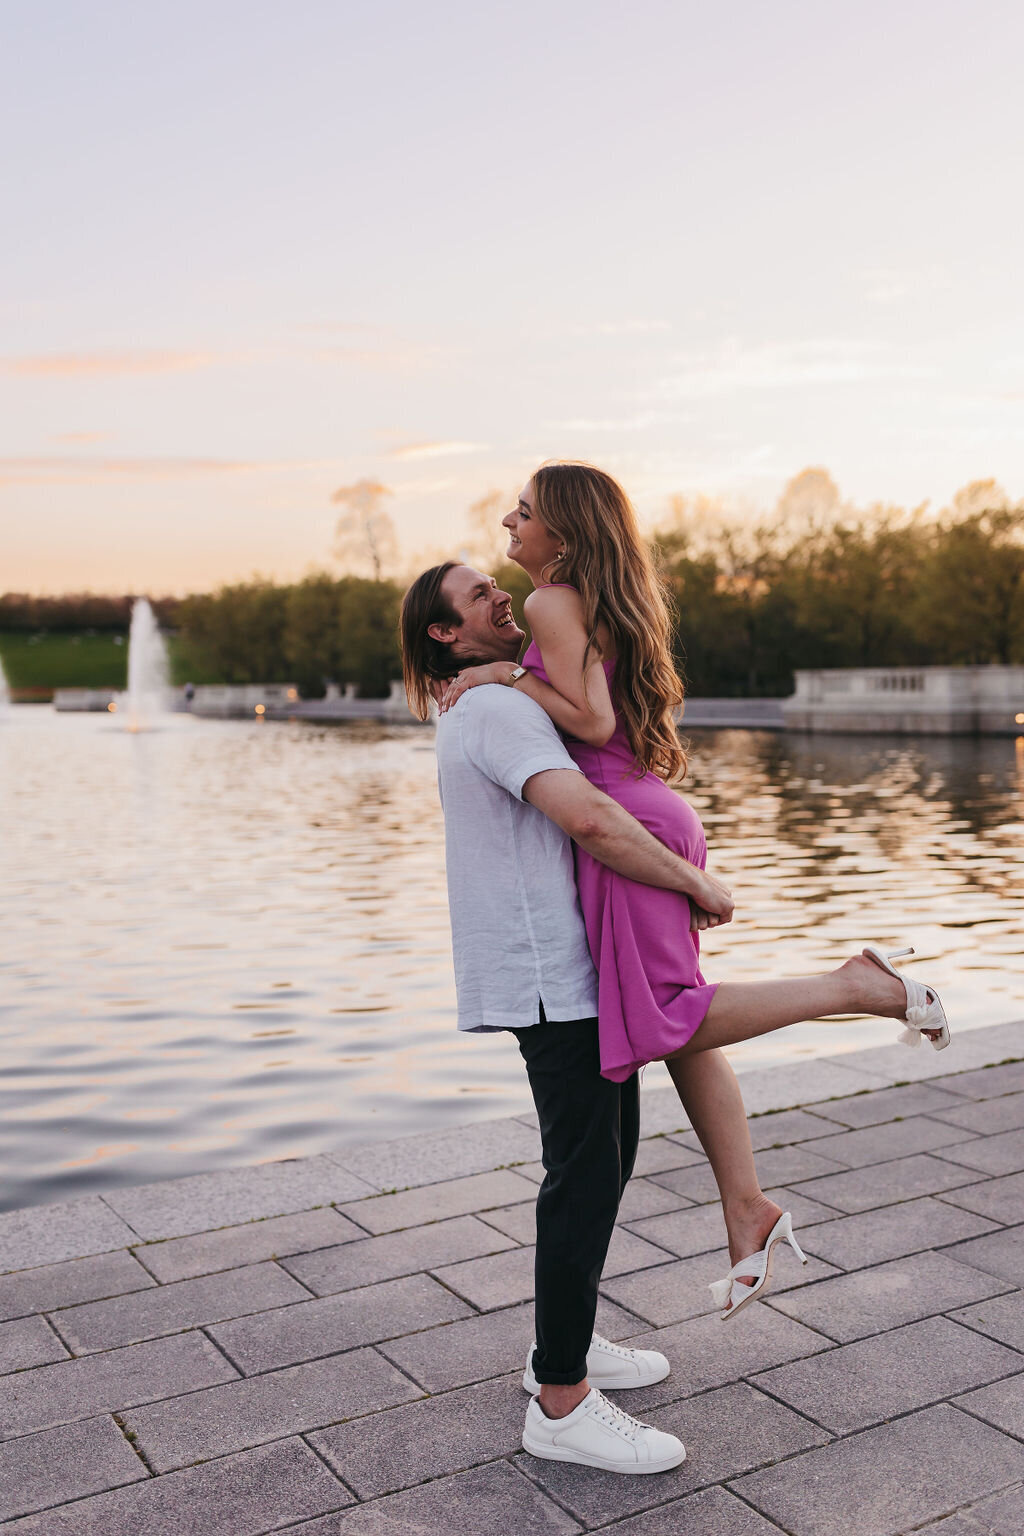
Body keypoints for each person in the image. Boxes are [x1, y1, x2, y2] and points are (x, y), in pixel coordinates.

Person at [401, 555, 948, 1472]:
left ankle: (558, 1352)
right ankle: (563, 1405)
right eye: (475, 598)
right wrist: (692, 877)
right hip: (549, 973)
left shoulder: (500, 690)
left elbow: (591, 740)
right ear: (444, 633)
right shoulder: (491, 707)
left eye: (495, 584)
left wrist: (505, 670)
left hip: (565, 964)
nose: (498, 592)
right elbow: (590, 819)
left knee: (606, 1156)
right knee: (581, 1173)